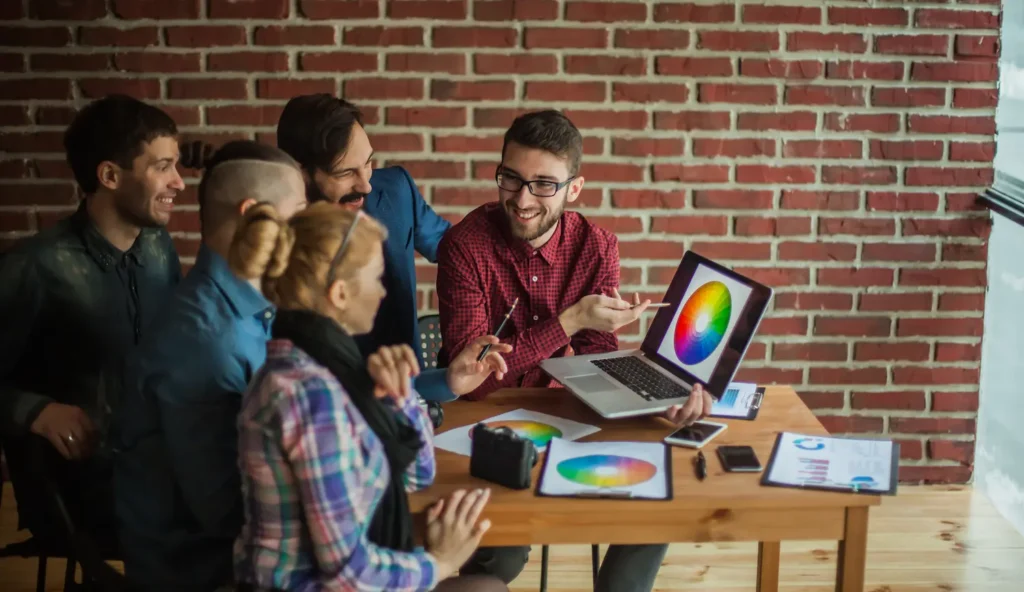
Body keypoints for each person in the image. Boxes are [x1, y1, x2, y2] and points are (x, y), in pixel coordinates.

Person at [435, 110, 715, 590]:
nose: (522, 200)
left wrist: (652, 403)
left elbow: (595, 358)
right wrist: (569, 320)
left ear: (574, 189)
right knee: (497, 565)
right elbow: (474, 383)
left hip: (570, 419)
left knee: (653, 506)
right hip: (490, 432)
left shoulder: (598, 246)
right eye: (512, 179)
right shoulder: (464, 246)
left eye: (544, 184)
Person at [230, 201, 510, 591]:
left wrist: (401, 399)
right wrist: (439, 563)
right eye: (378, 278)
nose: (383, 291)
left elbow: (417, 475)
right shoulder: (311, 394)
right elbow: (348, 573)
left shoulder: (331, 366)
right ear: (340, 293)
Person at [113, 141, 311, 591]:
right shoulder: (207, 342)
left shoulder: (250, 308)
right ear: (251, 214)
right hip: (209, 572)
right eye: (297, 213)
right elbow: (226, 512)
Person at [0, 94, 183, 550]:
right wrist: (37, 412)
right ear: (109, 176)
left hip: (159, 465)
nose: (178, 182)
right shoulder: (34, 266)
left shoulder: (160, 249)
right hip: (86, 494)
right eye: (162, 166)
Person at [276, 94, 456, 402]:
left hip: (413, 395)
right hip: (322, 406)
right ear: (301, 173)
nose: (366, 185)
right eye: (346, 173)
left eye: (368, 163)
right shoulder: (276, 234)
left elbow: (457, 249)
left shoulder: (397, 189)